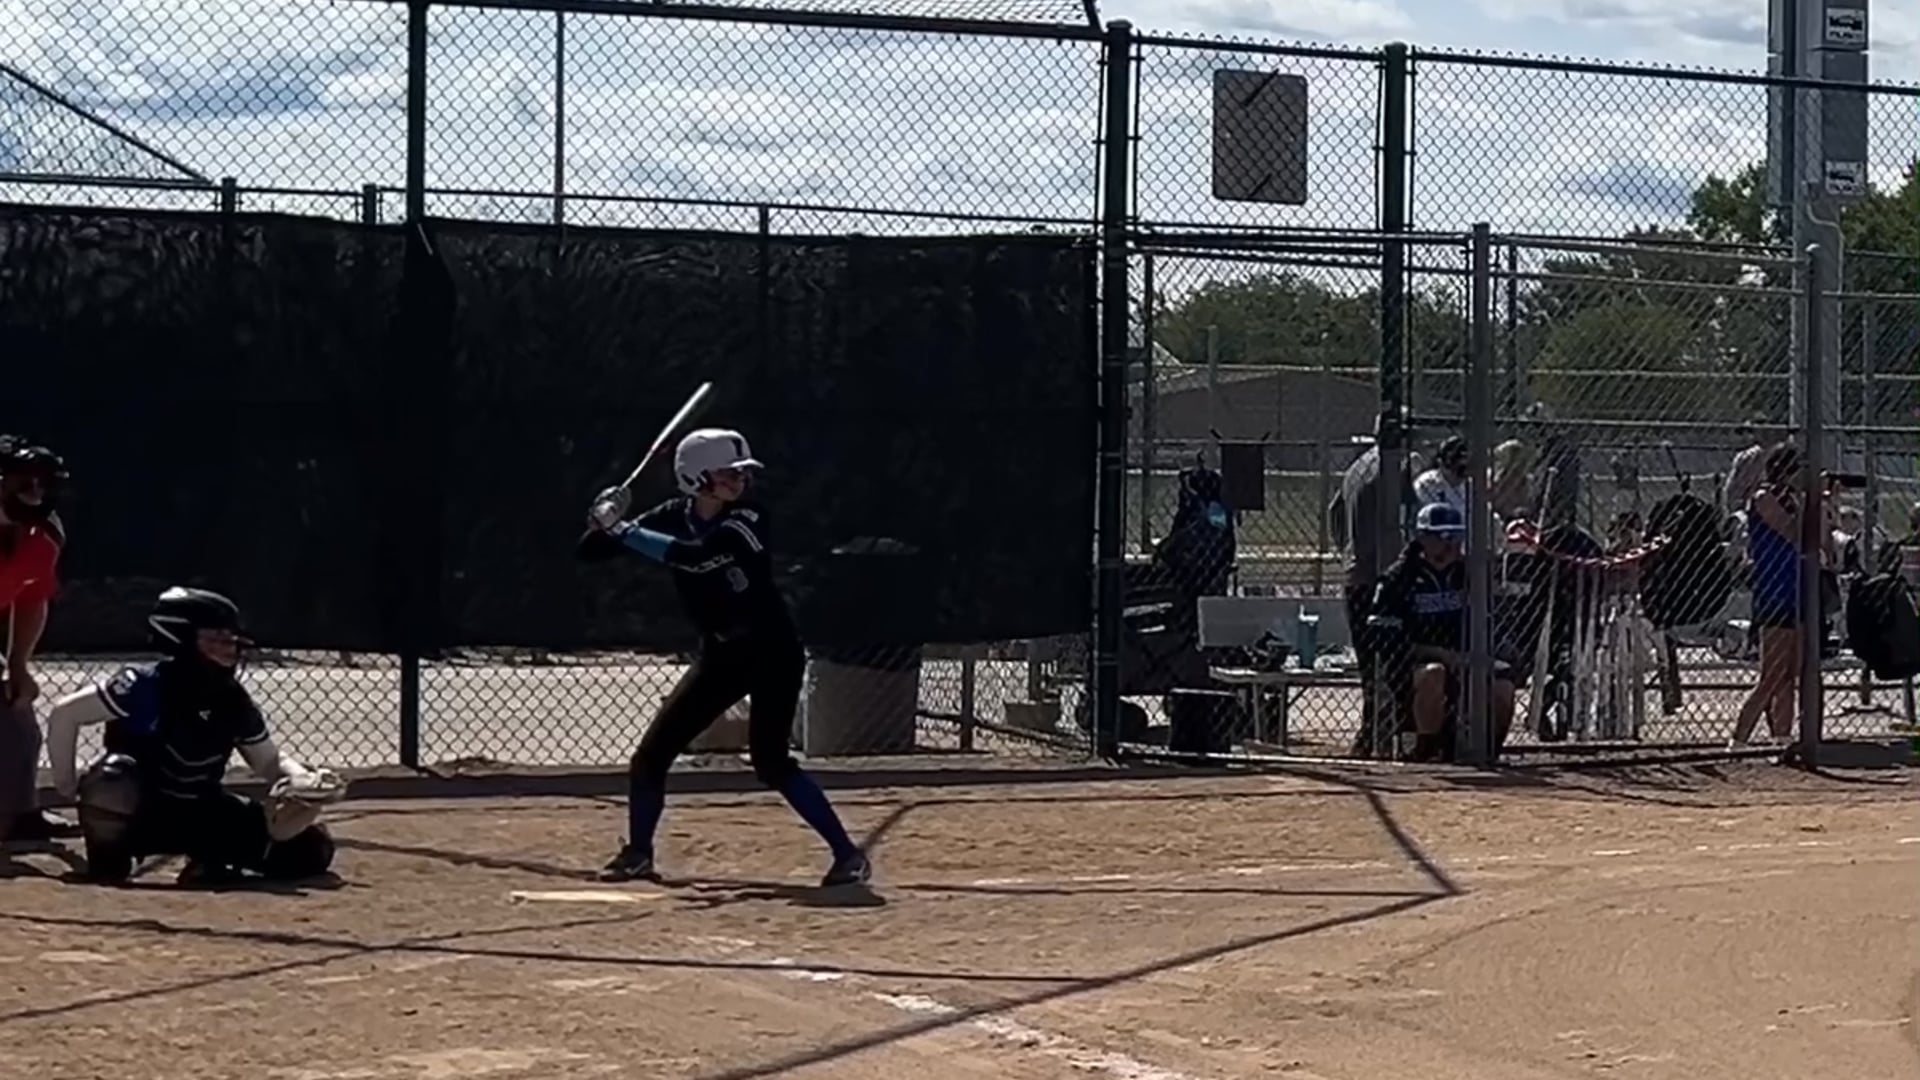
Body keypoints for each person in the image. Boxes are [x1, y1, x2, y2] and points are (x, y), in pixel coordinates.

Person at [577, 427, 870, 888]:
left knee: (771, 762)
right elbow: (589, 553)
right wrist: (602, 518)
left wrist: (624, 529)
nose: (739, 481)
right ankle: (638, 854)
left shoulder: (748, 518)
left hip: (772, 652)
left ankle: (848, 856)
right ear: (695, 478)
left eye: (741, 473)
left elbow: (696, 557)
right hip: (721, 655)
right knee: (650, 757)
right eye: (727, 474)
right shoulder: (673, 515)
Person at [44, 587, 347, 884]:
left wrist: (301, 779)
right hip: (141, 810)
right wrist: (66, 785)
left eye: (231, 640)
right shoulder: (144, 684)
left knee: (311, 850)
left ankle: (208, 861)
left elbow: (268, 761)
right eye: (215, 639)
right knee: (112, 778)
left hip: (199, 810)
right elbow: (65, 714)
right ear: (180, 639)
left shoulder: (233, 700)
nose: (229, 649)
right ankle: (109, 859)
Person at [1371, 502, 1517, 762]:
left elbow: (1488, 623)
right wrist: (1441, 654)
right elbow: (1385, 639)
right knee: (1434, 673)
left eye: (1457, 537)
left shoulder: (1467, 575)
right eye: (1443, 537)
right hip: (1412, 663)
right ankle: (1426, 752)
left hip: (1464, 657)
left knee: (1503, 685)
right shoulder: (1399, 577)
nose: (1451, 545)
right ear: (1423, 538)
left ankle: (1488, 753)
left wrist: (1484, 653)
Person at [1327, 437, 1426, 757]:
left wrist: (1348, 550)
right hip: (1387, 577)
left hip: (1356, 575)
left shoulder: (1357, 467)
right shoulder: (1398, 466)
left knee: (1370, 663)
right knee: (1396, 661)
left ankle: (1372, 734)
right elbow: (1413, 517)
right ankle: (1393, 735)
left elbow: (1334, 512)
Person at [0, 434, 72, 845]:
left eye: (42, 484)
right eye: (23, 481)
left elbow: (31, 599)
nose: (35, 492)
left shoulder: (44, 535)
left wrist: (18, 666)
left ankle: (20, 814)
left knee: (18, 716)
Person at [1730, 443, 1825, 748]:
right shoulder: (1764, 497)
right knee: (1771, 674)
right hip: (1774, 591)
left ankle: (1782, 739)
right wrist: (1810, 503)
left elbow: (1820, 540)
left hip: (1797, 590)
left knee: (1790, 674)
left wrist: (1824, 505)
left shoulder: (1794, 500)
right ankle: (1738, 740)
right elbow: (1792, 532)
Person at [1412, 436, 1469, 517]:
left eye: (1462, 469)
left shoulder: (1475, 485)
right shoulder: (1426, 483)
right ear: (1440, 463)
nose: (1457, 474)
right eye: (1452, 467)